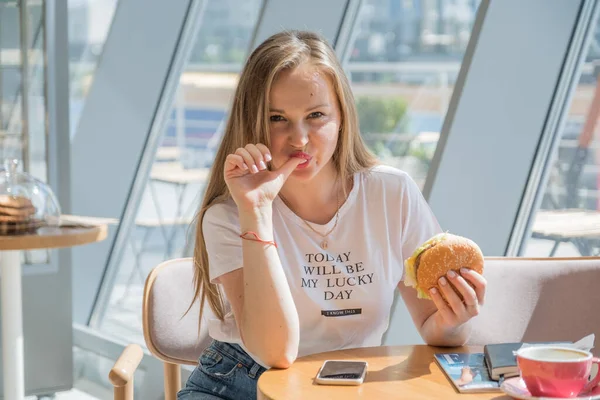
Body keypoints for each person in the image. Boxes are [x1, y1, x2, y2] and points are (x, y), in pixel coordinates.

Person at [177, 30, 487, 400]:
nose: (300, 139)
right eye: (278, 118)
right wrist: (256, 211)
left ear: (342, 116)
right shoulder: (229, 216)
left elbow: (433, 327)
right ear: (253, 121)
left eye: (316, 115)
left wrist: (455, 319)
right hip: (239, 384)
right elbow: (276, 353)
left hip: (350, 387)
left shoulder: (392, 193)